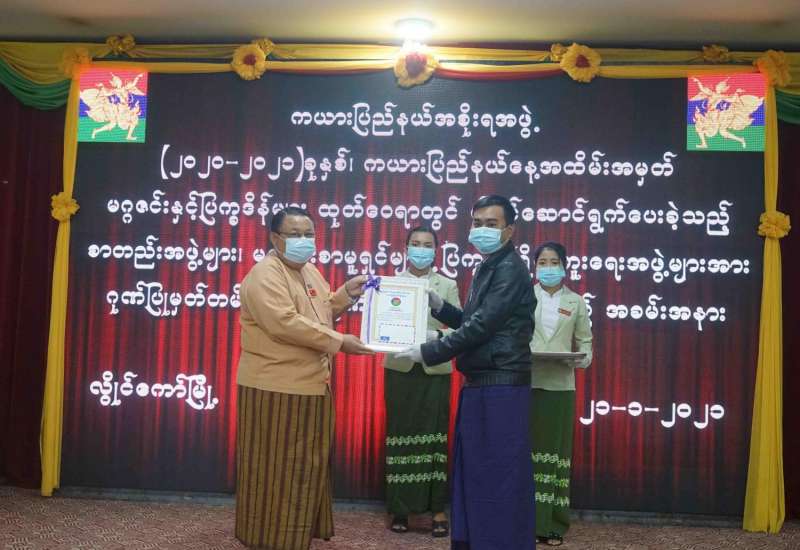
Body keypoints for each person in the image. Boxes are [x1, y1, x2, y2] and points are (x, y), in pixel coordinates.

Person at [395, 194, 538, 549]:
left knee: (497, 476)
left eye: (492, 224)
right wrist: (440, 308)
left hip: (501, 384)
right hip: (483, 382)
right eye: (477, 223)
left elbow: (481, 328)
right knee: (477, 472)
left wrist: (428, 350)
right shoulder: (488, 265)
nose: (482, 230)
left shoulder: (509, 269)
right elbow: (472, 321)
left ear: (510, 230)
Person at [235, 206, 374, 550]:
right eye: (294, 235)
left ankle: (294, 536)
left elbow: (321, 313)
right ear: (274, 238)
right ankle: (270, 538)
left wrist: (346, 294)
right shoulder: (264, 274)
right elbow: (285, 323)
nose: (304, 241)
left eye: (309, 235)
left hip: (311, 385)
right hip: (274, 387)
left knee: (305, 466)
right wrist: (340, 342)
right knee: (276, 469)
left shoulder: (309, 271)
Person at [382, 226, 461, 537]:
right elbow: (382, 325)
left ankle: (437, 510)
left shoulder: (447, 285)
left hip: (435, 369)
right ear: (405, 248)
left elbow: (461, 328)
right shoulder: (391, 283)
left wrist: (435, 336)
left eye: (427, 245)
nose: (421, 249)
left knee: (434, 437)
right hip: (400, 368)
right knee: (401, 434)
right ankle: (399, 508)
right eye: (415, 244)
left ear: (436, 251)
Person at [529, 242, 593, 547]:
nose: (548, 267)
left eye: (554, 262)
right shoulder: (523, 296)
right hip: (525, 382)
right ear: (535, 267)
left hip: (560, 385)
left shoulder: (576, 301)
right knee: (525, 453)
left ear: (565, 266)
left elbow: (585, 342)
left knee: (553, 454)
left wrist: (581, 359)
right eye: (542, 262)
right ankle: (523, 519)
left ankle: (552, 523)